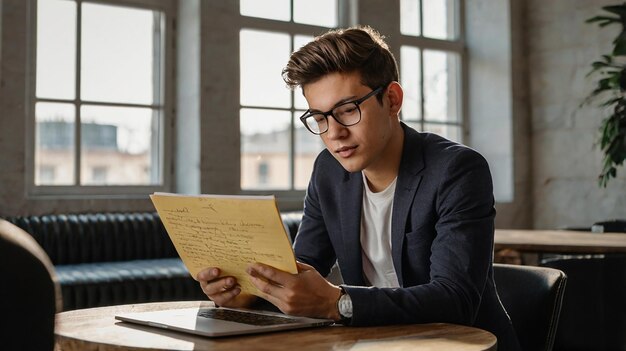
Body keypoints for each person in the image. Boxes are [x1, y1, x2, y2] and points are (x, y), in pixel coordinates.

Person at [197, 25, 522, 350]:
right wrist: (248, 295)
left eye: (348, 110)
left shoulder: (457, 170)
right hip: (370, 344)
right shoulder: (328, 171)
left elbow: (455, 300)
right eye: (320, 117)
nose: (333, 133)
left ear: (392, 100)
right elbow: (302, 271)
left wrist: (338, 304)